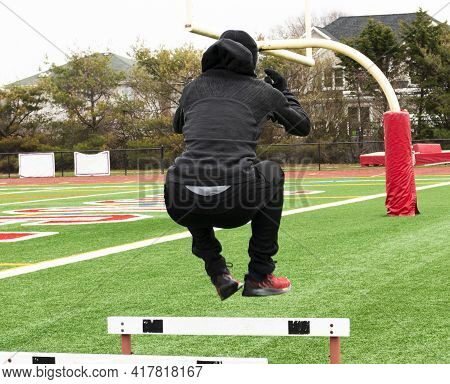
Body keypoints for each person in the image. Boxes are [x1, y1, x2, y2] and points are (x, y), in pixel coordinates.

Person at [164, 30, 311, 300]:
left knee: (186, 174)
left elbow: (177, 125)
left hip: (180, 201)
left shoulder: (194, 87)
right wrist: (283, 93)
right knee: (272, 172)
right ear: (252, 60)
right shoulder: (263, 91)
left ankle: (217, 271)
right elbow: (302, 126)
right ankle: (260, 274)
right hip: (236, 203)